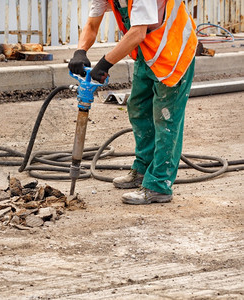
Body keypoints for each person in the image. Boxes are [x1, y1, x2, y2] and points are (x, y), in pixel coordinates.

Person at [69, 0, 197, 205]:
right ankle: (143, 169)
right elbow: (92, 25)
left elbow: (137, 32)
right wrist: (80, 51)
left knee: (166, 118)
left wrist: (104, 64)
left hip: (173, 51)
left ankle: (159, 185)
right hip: (147, 53)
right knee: (137, 107)